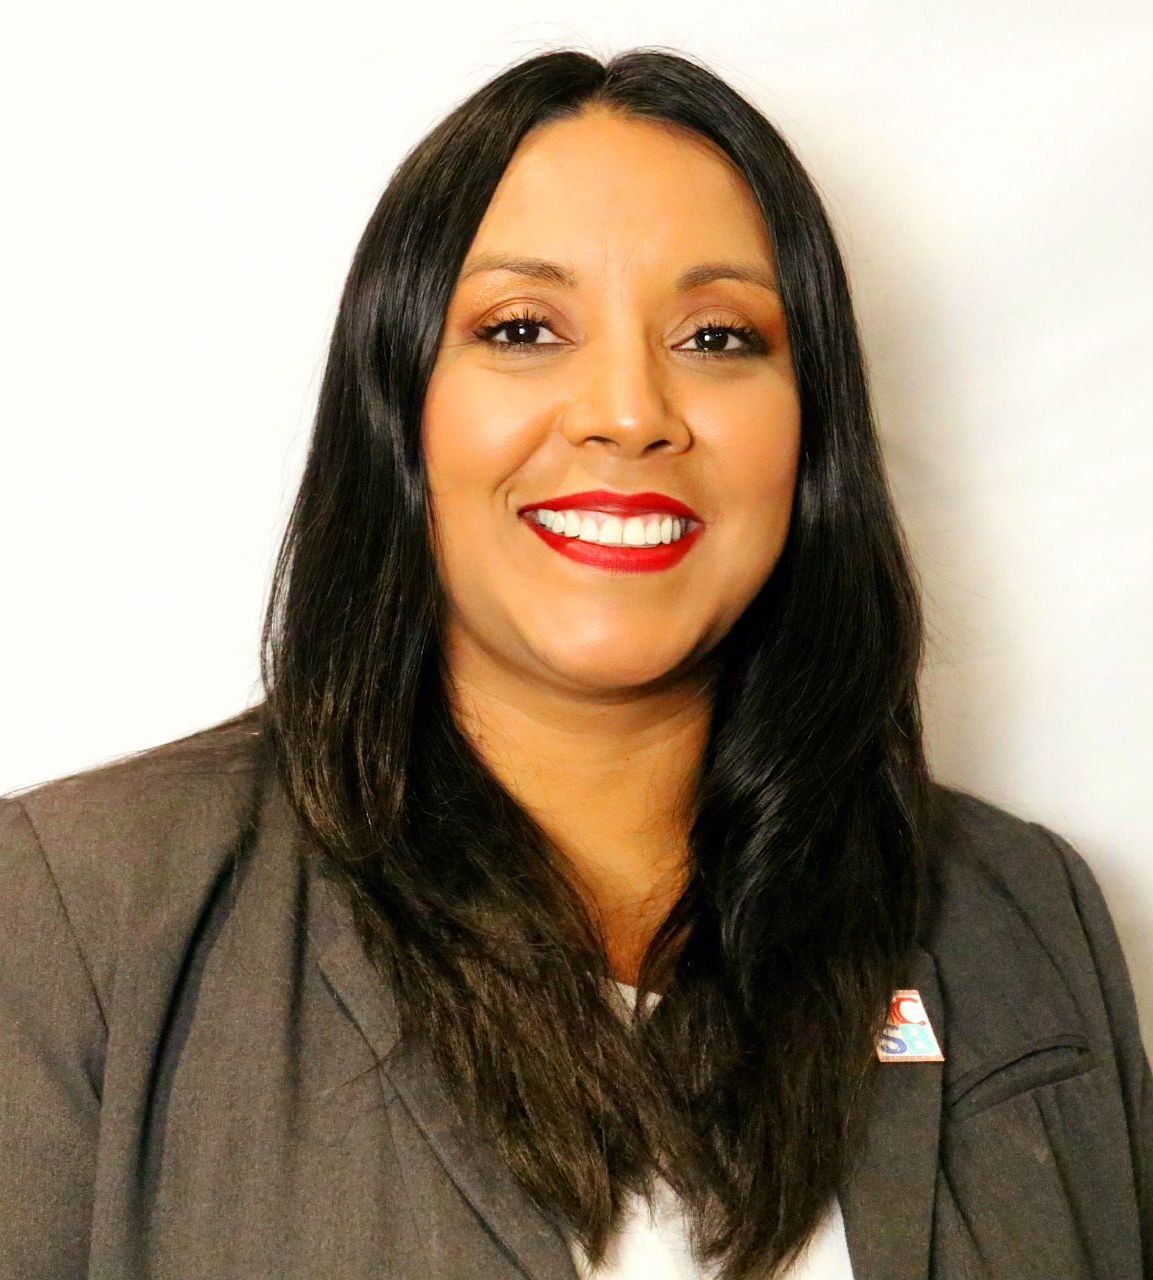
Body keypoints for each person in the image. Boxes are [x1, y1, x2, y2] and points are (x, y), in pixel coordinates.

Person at [0, 45, 1149, 1280]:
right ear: (398, 407)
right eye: (524, 327)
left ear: (810, 429)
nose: (628, 409)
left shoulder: (1021, 910)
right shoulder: (76, 917)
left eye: (716, 335)